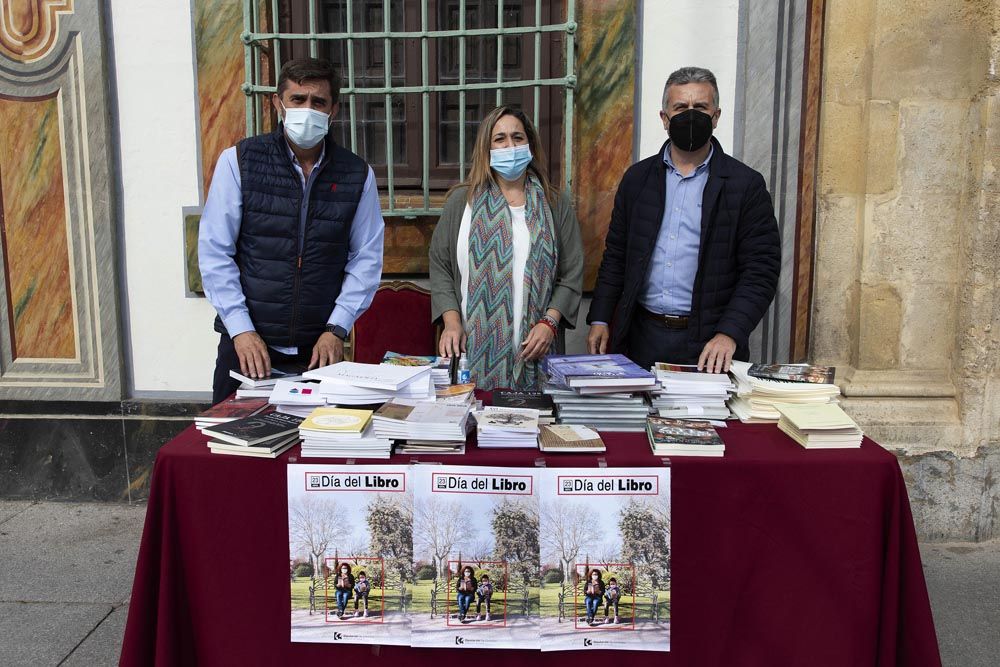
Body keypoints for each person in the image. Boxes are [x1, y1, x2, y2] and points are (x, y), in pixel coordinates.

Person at [199, 58, 385, 404]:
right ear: (277, 103)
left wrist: (336, 329)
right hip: (247, 347)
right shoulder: (239, 161)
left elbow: (366, 259)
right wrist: (241, 329)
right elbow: (215, 252)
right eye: (298, 99)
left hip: (318, 350)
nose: (307, 110)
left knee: (314, 452)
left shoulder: (356, 174)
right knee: (238, 453)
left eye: (318, 102)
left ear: (334, 110)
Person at [587, 66, 780, 373]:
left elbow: (761, 270)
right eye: (680, 108)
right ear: (664, 118)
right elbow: (617, 255)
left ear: (716, 116)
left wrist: (729, 333)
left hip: (710, 343)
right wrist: (600, 317)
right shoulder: (637, 180)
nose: (691, 115)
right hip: (642, 337)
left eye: (700, 107)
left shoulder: (745, 185)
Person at [429, 106, 583, 390]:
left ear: (530, 144)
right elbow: (440, 267)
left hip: (538, 353)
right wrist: (451, 322)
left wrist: (549, 322)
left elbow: (571, 272)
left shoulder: (554, 203)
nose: (509, 146)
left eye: (517, 137)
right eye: (499, 139)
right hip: (472, 353)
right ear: (486, 148)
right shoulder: (462, 202)